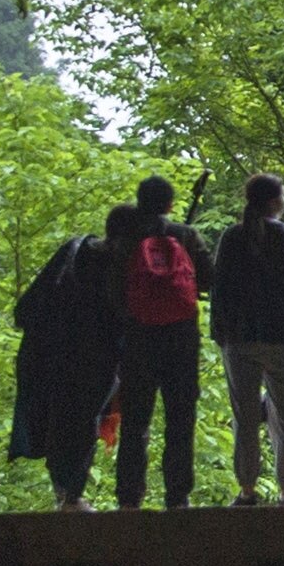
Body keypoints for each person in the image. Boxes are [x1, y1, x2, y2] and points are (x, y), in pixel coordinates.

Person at [8, 212, 126, 511]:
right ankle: (71, 495)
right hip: (94, 361)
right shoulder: (118, 266)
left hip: (46, 354)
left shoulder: (73, 252)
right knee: (82, 425)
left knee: (59, 423)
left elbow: (26, 310)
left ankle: (65, 492)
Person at [209, 172, 284, 507]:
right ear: (275, 202)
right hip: (281, 339)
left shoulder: (231, 237)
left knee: (245, 416)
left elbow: (219, 290)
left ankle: (247, 490)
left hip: (239, 340)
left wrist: (220, 332)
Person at [109, 177, 209, 511]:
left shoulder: (125, 238)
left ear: (139, 201)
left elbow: (113, 288)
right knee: (181, 418)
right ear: (169, 204)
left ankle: (129, 496)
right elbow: (209, 280)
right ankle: (178, 496)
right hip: (181, 337)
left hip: (137, 338)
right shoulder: (186, 236)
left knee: (136, 419)